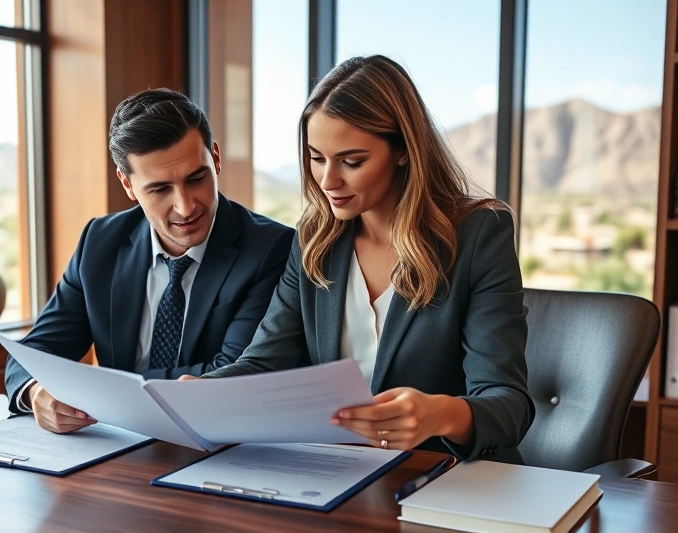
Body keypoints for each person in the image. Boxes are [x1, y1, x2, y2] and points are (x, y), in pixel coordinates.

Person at [196, 56, 534, 463]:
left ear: (404, 151)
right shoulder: (314, 239)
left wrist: (439, 414)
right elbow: (263, 362)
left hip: (446, 476)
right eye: (316, 157)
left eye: (351, 162)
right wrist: (194, 394)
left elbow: (509, 405)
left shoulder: (479, 233)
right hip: (338, 471)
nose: (327, 181)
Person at [4, 88, 294, 434]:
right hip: (115, 445)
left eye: (196, 178)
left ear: (215, 159)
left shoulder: (270, 248)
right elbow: (35, 353)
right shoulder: (100, 242)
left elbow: (232, 374)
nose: (186, 206)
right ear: (127, 184)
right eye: (159, 189)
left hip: (216, 445)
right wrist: (38, 390)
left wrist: (94, 388)